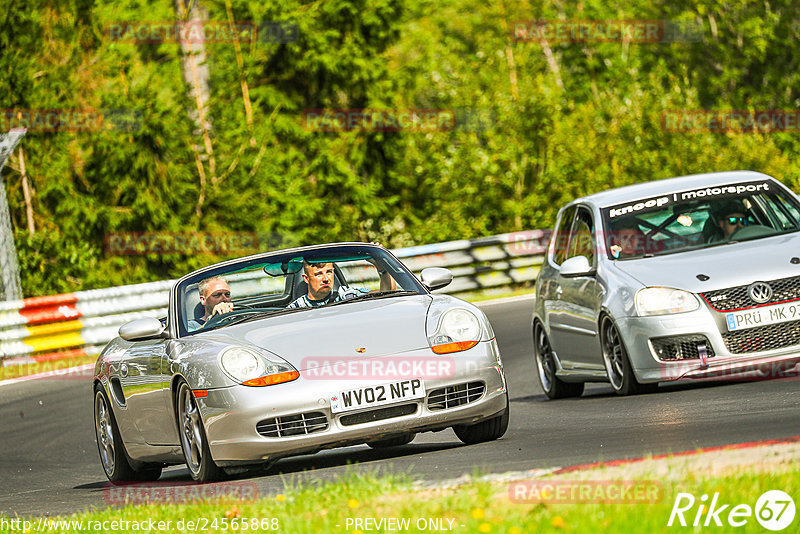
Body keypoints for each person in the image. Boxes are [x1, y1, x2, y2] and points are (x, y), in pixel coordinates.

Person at [287, 259, 397, 309]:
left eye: (329, 272)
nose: (326, 278)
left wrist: (381, 268)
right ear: (306, 279)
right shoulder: (296, 308)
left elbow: (387, 293)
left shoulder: (346, 295)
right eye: (318, 274)